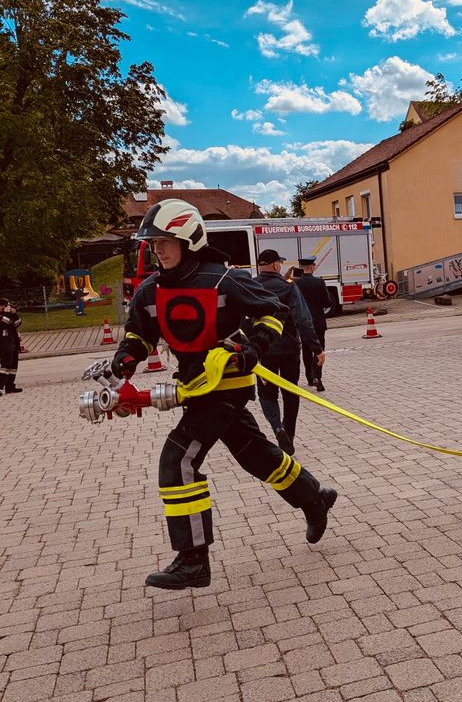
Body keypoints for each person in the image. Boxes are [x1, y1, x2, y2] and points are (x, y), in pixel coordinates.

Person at [111, 200, 337, 590]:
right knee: (255, 455)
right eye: (153, 243)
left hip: (226, 387)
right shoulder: (151, 290)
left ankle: (194, 559)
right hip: (193, 388)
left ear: (189, 240)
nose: (158, 250)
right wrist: (125, 359)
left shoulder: (222, 280)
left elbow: (274, 312)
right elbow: (140, 334)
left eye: (166, 241)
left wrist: (253, 348)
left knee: (178, 461)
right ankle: (313, 496)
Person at [253, 249, 325, 456]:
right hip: (289, 349)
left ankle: (277, 428)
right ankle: (289, 434)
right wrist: (317, 349)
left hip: (262, 351)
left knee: (267, 394)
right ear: (276, 266)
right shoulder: (288, 287)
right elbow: (303, 319)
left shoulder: (251, 287)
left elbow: (242, 320)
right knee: (290, 392)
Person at [294, 256, 330, 392]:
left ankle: (309, 377)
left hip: (303, 323)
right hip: (318, 322)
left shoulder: (297, 283)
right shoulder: (319, 282)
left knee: (307, 349)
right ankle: (317, 377)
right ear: (313, 266)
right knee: (319, 348)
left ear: (301, 268)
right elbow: (327, 302)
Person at [0, 298, 23, 394]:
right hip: (3, 342)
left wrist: (14, 314)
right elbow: (5, 323)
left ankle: (10, 386)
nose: (8, 307)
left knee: (13, 365)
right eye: (6, 305)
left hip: (12, 341)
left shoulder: (8, 314)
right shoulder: (2, 315)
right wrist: (8, 313)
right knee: (5, 365)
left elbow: (17, 323)